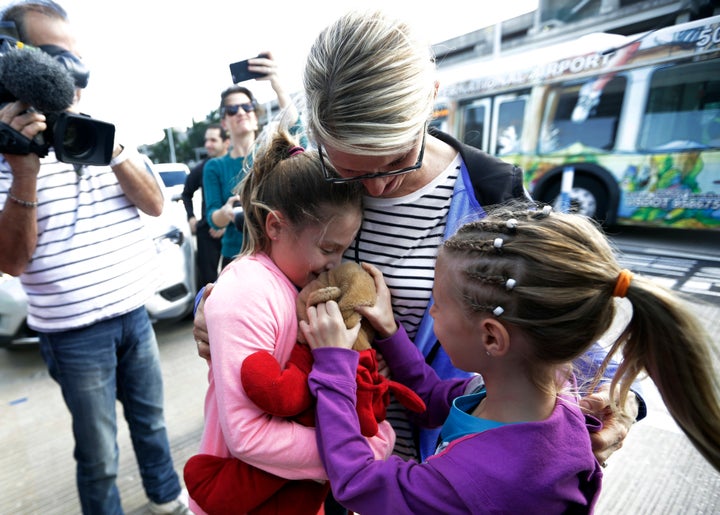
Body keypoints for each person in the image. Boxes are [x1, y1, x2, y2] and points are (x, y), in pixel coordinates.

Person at [195, 8, 640, 474]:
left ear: (431, 97)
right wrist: (215, 303)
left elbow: (565, 311)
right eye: (348, 171)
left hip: (438, 460)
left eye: (395, 162)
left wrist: (614, 394)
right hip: (323, 465)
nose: (374, 189)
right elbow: (262, 264)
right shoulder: (309, 178)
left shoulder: (492, 196)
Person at [301, 204, 720, 514]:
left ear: (491, 337)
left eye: (439, 304)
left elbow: (357, 482)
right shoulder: (532, 402)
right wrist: (391, 334)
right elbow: (429, 400)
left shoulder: (478, 478)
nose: (431, 313)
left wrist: (334, 364)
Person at [0, 2, 189, 514]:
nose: (73, 74)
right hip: (73, 334)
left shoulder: (103, 126)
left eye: (78, 60)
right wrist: (24, 170)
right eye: (56, 59)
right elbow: (12, 262)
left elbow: (154, 204)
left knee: (152, 423)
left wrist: (114, 147)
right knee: (99, 452)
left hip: (136, 313)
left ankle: (167, 496)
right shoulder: (6, 154)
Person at [187, 121, 395, 514]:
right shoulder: (247, 290)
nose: (334, 265)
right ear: (276, 225)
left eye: (342, 252)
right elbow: (247, 436)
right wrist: (359, 450)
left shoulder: (294, 282)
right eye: (328, 249)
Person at [203, 58, 293, 269]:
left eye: (247, 106)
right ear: (224, 122)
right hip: (236, 259)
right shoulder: (214, 167)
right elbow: (212, 218)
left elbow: (298, 134)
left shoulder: (273, 153)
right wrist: (224, 214)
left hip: (275, 255)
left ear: (255, 115)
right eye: (232, 110)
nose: (241, 112)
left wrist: (276, 84)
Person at [181, 123, 230, 290]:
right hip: (208, 232)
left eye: (213, 140)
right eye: (206, 140)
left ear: (226, 143)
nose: (208, 144)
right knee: (208, 282)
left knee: (232, 281)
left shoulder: (236, 164)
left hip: (234, 231)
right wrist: (191, 217)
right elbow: (186, 193)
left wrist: (225, 224)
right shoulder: (202, 168)